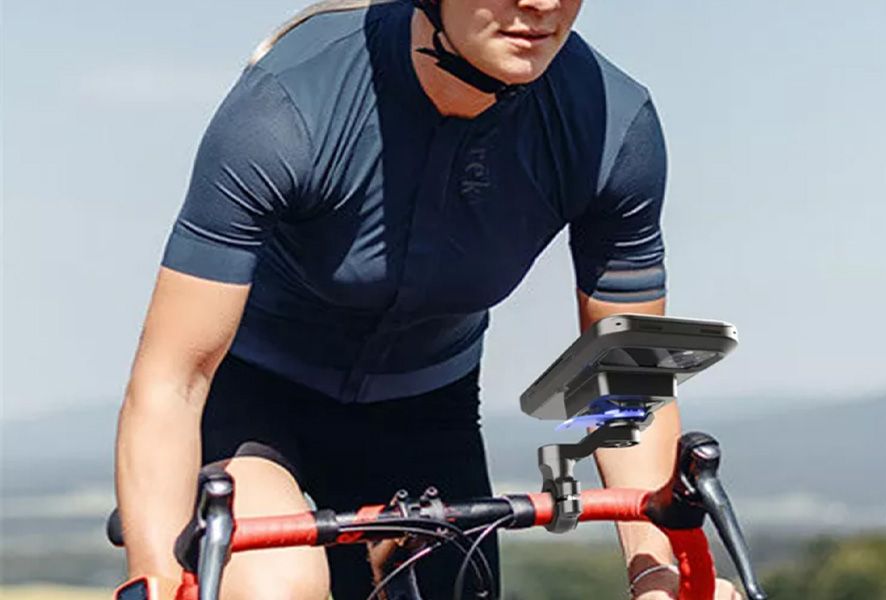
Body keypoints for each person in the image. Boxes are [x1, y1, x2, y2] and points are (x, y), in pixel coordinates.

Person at [114, 1, 743, 599]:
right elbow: (172, 379)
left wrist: (659, 574)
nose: (541, 4)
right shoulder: (289, 104)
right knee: (271, 582)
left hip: (423, 407)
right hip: (254, 395)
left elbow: (625, 380)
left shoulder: (612, 122)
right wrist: (155, 577)